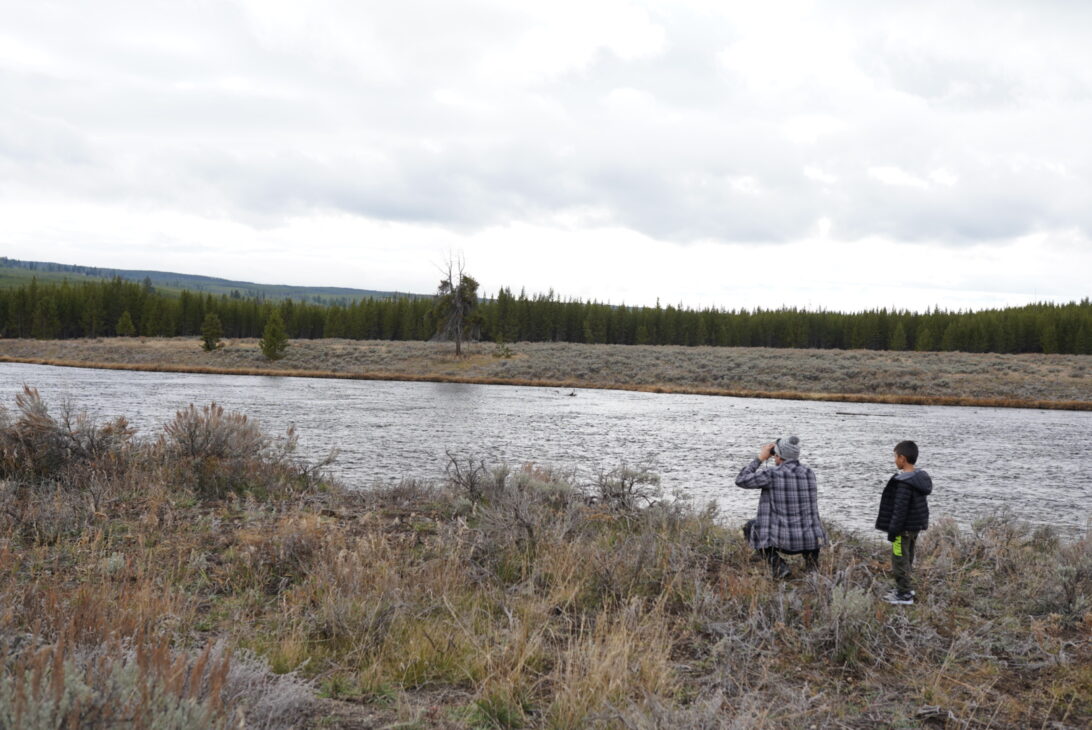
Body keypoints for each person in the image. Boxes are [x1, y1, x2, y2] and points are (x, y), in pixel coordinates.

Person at [735, 435, 828, 578]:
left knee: (750, 526)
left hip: (783, 542)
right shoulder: (810, 473)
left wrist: (760, 458)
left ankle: (778, 565)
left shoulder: (772, 474)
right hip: (810, 541)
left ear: (778, 456)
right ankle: (812, 566)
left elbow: (741, 480)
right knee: (806, 525)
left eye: (775, 455)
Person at [875, 440, 932, 605]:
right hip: (914, 527)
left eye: (895, 456)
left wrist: (893, 531)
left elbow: (899, 510)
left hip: (902, 530)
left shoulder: (903, 483)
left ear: (903, 458)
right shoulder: (918, 478)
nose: (894, 460)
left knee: (899, 558)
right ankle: (905, 588)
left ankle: (904, 594)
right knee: (908, 557)